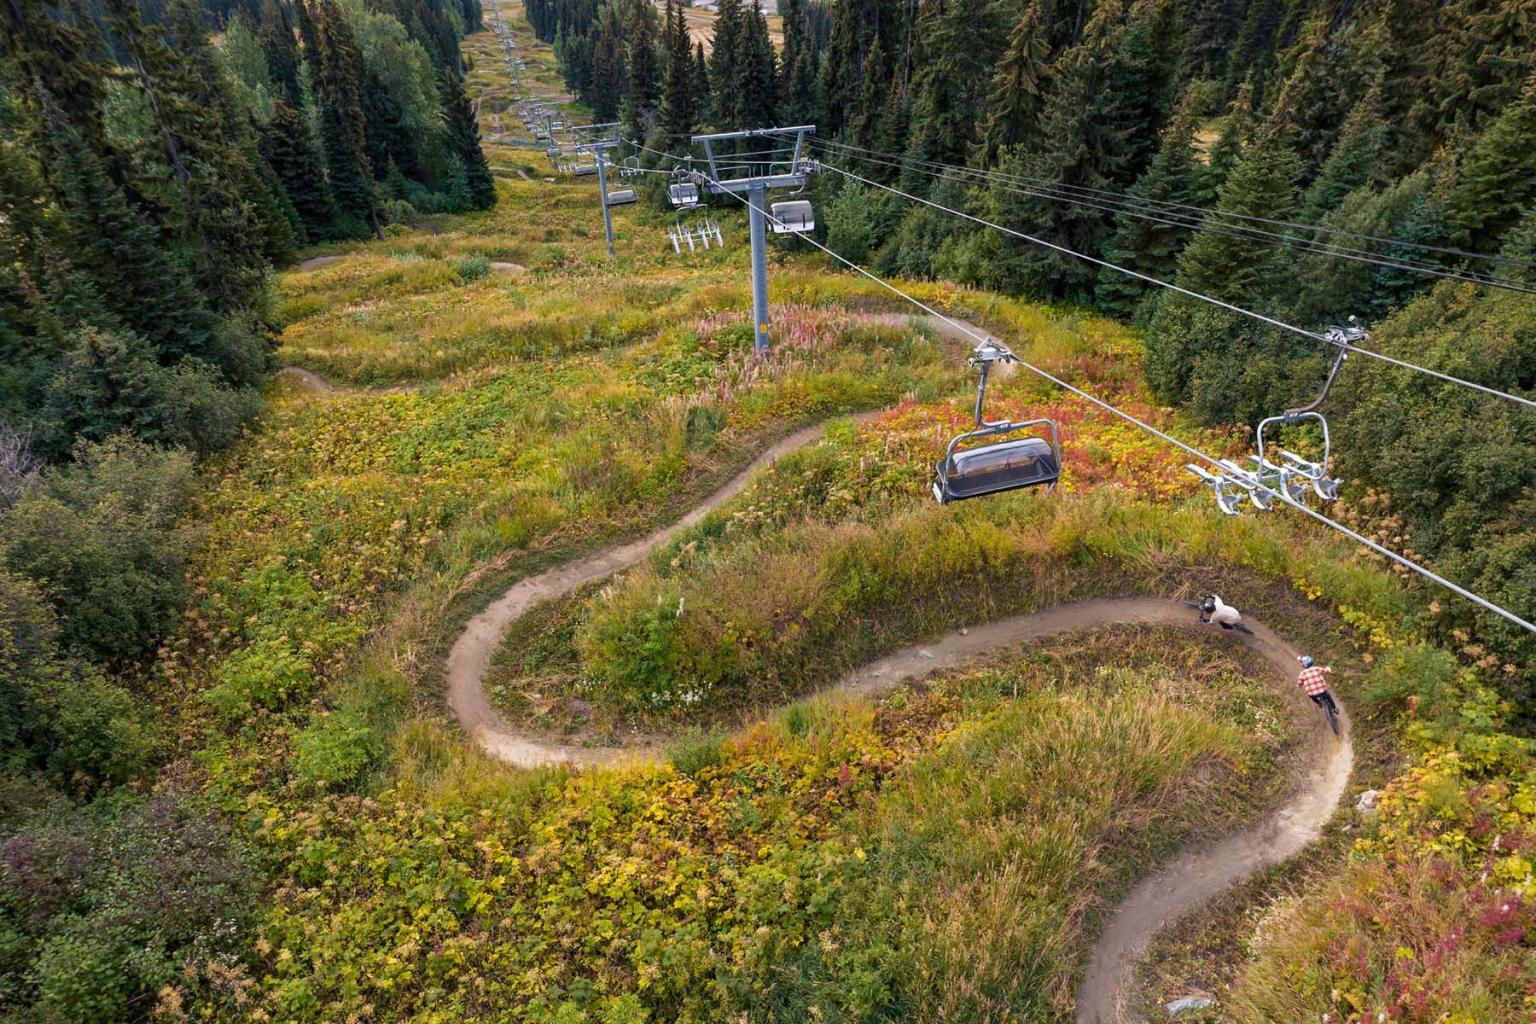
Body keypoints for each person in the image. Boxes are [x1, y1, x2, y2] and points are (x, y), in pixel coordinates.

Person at [1296, 656, 1339, 720]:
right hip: (1322, 690)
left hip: (1313, 694)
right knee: (1328, 696)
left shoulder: (1302, 674)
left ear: (1304, 665)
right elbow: (1325, 671)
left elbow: (1299, 683)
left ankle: (1319, 703)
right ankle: (1334, 708)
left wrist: (1298, 686)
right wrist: (1328, 669)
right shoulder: (1316, 669)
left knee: (1311, 696)